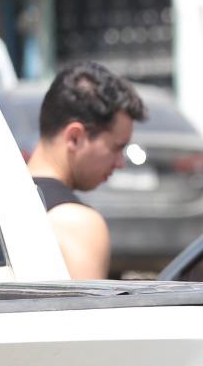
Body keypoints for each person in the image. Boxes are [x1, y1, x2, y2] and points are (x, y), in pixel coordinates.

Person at [25, 61, 147, 279]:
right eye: (116, 147)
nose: (120, 163)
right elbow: (85, 314)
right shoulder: (77, 224)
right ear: (75, 137)